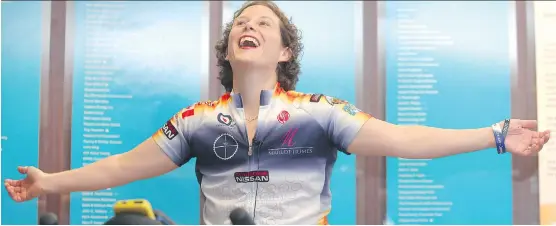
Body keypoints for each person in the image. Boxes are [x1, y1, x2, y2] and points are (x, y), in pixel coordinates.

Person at [4, 1, 551, 225]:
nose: (251, 26)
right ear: (227, 50)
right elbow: (121, 168)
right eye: (242, 21)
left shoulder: (321, 111)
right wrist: (51, 180)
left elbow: (406, 138)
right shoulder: (194, 119)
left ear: (285, 52)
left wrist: (495, 135)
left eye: (265, 23)